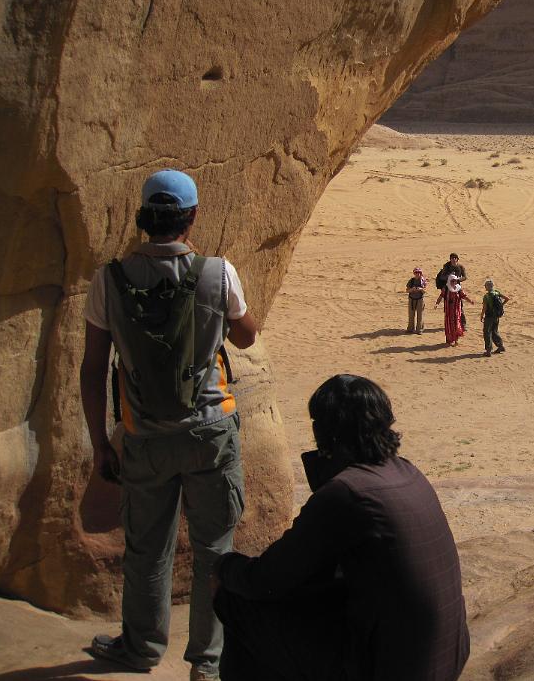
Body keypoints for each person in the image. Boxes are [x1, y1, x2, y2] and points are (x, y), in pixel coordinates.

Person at [80, 169, 258, 681]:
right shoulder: (217, 272)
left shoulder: (109, 279)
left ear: (143, 216)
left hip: (144, 438)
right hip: (210, 435)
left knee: (146, 549)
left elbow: (93, 371)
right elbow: (246, 337)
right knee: (213, 551)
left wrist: (100, 444)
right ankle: (207, 662)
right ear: (192, 216)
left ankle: (140, 648)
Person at [212, 374, 470, 681]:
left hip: (389, 668)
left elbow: (267, 578)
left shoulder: (347, 492)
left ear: (325, 432)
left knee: (235, 600)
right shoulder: (407, 471)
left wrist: (223, 567)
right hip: (445, 661)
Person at [435, 273, 474, 347]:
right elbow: (441, 297)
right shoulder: (446, 289)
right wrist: (437, 304)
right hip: (448, 311)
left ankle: (456, 340)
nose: (454, 282)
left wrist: (470, 301)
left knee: (456, 325)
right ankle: (449, 340)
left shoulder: (458, 289)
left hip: (456, 311)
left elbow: (464, 296)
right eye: (452, 281)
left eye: (455, 281)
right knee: (449, 325)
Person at [435, 253, 468, 331]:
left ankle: (463, 324)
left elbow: (465, 277)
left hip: (457, 287)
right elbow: (442, 277)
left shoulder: (460, 267)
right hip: (447, 287)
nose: (453, 259)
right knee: (448, 306)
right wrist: (449, 277)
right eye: (452, 258)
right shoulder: (446, 266)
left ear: (457, 259)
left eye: (455, 258)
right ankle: (449, 324)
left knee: (460, 306)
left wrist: (458, 279)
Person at [479, 278, 510, 357]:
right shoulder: (497, 292)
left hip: (489, 316)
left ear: (488, 287)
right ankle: (500, 346)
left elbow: (484, 307)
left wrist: (481, 315)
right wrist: (501, 306)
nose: (485, 287)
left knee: (487, 332)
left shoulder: (486, 296)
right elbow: (507, 299)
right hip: (496, 316)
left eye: (485, 286)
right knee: (495, 331)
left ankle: (488, 350)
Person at [405, 267, 427, 334]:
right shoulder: (411, 280)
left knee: (420, 315)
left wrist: (420, 289)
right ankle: (410, 329)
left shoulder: (423, 281)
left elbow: (425, 291)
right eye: (416, 273)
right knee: (411, 315)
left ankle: (419, 329)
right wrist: (412, 289)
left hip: (420, 299)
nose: (417, 274)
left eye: (419, 273)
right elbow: (407, 290)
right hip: (412, 299)